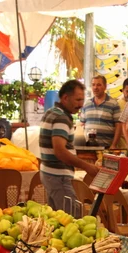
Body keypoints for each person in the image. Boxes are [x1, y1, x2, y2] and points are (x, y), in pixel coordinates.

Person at [39, 79, 99, 211]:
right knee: (72, 217)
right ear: (65, 98)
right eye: (78, 100)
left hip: (49, 173)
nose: (81, 104)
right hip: (58, 176)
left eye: (82, 100)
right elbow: (60, 151)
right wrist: (87, 166)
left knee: (56, 218)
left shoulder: (51, 112)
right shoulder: (61, 118)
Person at [80, 75, 121, 148]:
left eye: (98, 85)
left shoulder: (114, 104)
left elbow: (119, 126)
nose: (95, 87)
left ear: (105, 87)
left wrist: (114, 145)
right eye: (93, 85)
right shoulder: (86, 104)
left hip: (107, 148)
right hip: (88, 148)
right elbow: (82, 124)